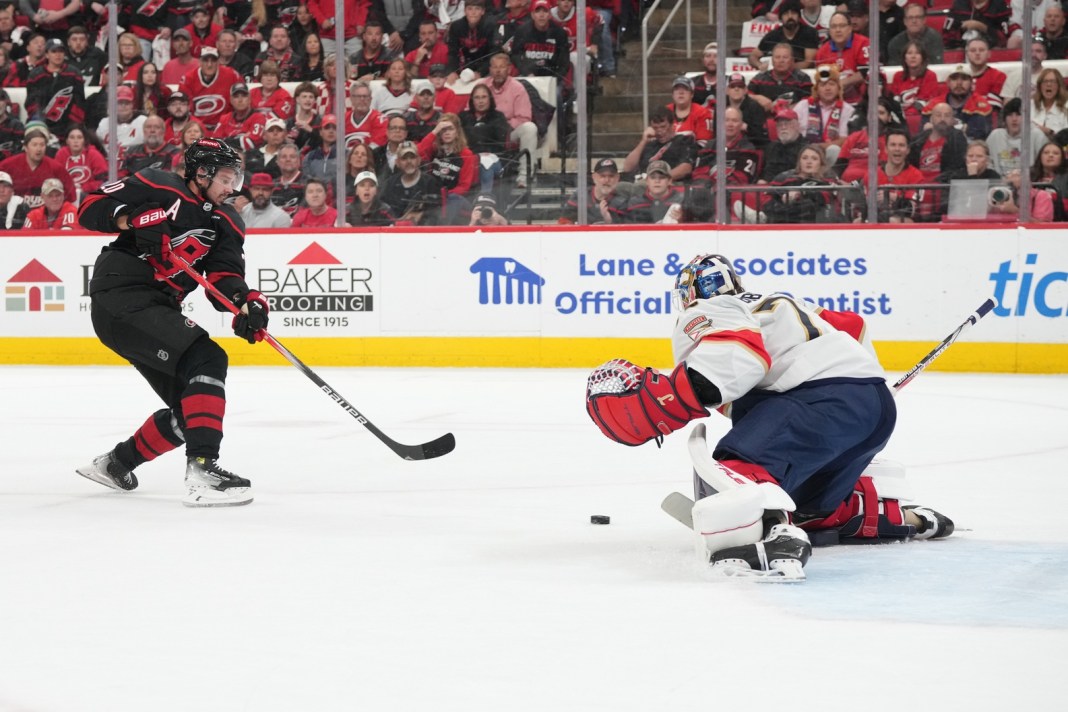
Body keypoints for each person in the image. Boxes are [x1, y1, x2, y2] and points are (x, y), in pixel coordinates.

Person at [584, 253, 953, 580]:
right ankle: (879, 515)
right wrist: (863, 383)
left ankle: (771, 533)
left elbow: (740, 356)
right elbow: (854, 326)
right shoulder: (779, 301)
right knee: (807, 500)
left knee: (741, 468)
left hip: (817, 401)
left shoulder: (706, 310)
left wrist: (671, 399)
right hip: (873, 408)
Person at [75, 138, 266, 508]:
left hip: (156, 306)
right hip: (121, 295)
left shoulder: (228, 221)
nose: (233, 188)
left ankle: (115, 465)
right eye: (226, 178)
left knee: (192, 411)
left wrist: (246, 303)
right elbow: (89, 208)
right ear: (202, 172)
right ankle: (204, 469)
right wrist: (129, 218)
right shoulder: (158, 184)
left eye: (235, 179)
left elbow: (224, 278)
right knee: (208, 358)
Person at [480, 53, 539, 188]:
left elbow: (524, 118)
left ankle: (524, 176)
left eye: (502, 67)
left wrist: (501, 126)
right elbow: (469, 109)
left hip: (507, 132)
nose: (498, 71)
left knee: (530, 128)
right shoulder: (482, 86)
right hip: (484, 131)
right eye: (495, 67)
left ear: (509, 69)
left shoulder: (517, 88)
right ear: (490, 70)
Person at [416, 112, 477, 223]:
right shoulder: (434, 150)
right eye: (443, 130)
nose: (447, 133)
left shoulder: (466, 154)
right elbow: (418, 152)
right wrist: (434, 131)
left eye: (450, 129)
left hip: (455, 199)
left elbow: (464, 186)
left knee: (452, 200)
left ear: (457, 132)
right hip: (433, 198)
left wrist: (444, 196)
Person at [25, 37, 85, 140]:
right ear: (47, 54)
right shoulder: (36, 75)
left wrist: (72, 127)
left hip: (68, 125)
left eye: (61, 51)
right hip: (42, 123)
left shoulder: (74, 73)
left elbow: (79, 102)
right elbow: (32, 102)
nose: (58, 55)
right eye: (54, 51)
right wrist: (41, 125)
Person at [0, 128, 76, 205]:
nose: (39, 149)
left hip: (46, 213)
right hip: (13, 212)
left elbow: (71, 195)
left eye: (42, 145)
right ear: (26, 147)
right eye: (34, 145)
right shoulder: (8, 165)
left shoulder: (56, 168)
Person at [792, 64, 855, 157]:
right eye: (823, 85)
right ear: (816, 89)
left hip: (830, 155)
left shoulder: (848, 110)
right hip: (802, 152)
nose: (828, 88)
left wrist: (820, 147)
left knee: (834, 149)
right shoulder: (802, 106)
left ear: (838, 88)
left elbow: (844, 139)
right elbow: (793, 131)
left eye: (832, 84)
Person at [622, 105, 697, 181]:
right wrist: (643, 141)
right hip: (643, 183)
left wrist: (658, 180)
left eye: (663, 127)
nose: (659, 132)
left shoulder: (684, 141)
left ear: (672, 125)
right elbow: (627, 168)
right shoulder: (649, 144)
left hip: (670, 184)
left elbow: (686, 168)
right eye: (655, 128)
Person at [460, 83, 510, 193]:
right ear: (472, 100)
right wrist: (485, 130)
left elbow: (499, 140)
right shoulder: (463, 116)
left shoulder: (498, 116)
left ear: (490, 99)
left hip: (493, 157)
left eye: (484, 97)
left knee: (486, 162)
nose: (480, 101)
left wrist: (472, 131)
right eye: (477, 97)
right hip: (469, 157)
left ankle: (485, 199)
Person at [180, 46, 244, 132]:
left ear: (219, 61)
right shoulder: (188, 79)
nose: (209, 65)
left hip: (225, 127)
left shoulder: (231, 75)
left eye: (213, 60)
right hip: (197, 128)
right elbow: (185, 109)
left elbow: (242, 100)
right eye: (206, 60)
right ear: (199, 62)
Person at [380, 140, 444, 224]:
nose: (409, 161)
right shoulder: (390, 184)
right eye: (404, 158)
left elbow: (437, 214)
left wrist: (421, 215)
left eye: (412, 157)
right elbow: (383, 214)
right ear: (397, 162)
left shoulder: (430, 183)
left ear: (419, 160)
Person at [814, 11, 870, 105]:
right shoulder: (822, 52)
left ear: (850, 28)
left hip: (862, 102)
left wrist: (841, 83)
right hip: (833, 103)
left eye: (842, 26)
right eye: (834, 26)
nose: (838, 30)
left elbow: (866, 73)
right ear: (830, 31)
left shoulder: (863, 43)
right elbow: (821, 80)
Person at [749, 0, 819, 70]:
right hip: (777, 75)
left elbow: (809, 62)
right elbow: (753, 56)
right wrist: (760, 65)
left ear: (799, 16)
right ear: (780, 18)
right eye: (785, 14)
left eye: (794, 13)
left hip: (803, 75)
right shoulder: (773, 35)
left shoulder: (809, 33)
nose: (790, 16)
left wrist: (785, 68)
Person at [987, 97, 1049, 176]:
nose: (1014, 119)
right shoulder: (995, 136)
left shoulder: (1037, 135)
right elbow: (987, 163)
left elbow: (1044, 166)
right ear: (1004, 119)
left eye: (1018, 115)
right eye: (1010, 115)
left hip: (1031, 184)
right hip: (999, 184)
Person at [748, 42, 814, 114]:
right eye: (777, 57)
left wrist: (791, 108)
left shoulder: (802, 78)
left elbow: (810, 100)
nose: (781, 61)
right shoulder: (760, 78)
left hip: (793, 119)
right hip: (765, 118)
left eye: (785, 57)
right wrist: (758, 98)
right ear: (772, 60)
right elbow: (745, 95)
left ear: (792, 60)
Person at [561, 157, 629, 224]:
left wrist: (609, 221)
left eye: (611, 176)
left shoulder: (623, 200)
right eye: (602, 176)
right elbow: (564, 222)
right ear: (594, 177)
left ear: (617, 178)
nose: (607, 180)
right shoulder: (581, 196)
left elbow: (629, 230)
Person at [887, 41, 940, 123]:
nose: (913, 56)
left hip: (922, 117)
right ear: (904, 58)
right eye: (909, 53)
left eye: (917, 53)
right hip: (900, 117)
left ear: (923, 57)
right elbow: (894, 101)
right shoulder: (898, 76)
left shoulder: (930, 75)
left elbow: (926, 103)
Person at [620, 159, 686, 223]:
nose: (657, 181)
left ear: (669, 181)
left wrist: (682, 220)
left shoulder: (682, 201)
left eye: (662, 177)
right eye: (653, 177)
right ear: (647, 181)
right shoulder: (635, 203)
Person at [886, 1, 944, 66]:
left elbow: (936, 66)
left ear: (924, 20)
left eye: (918, 17)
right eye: (910, 17)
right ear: (905, 21)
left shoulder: (934, 38)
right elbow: (894, 69)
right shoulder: (895, 43)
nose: (914, 21)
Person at [668, 75, 712, 145]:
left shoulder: (702, 113)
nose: (681, 92)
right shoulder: (665, 111)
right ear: (672, 94)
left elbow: (703, 144)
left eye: (685, 89)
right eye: (677, 89)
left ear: (692, 94)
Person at [1032, 67, 1068, 140]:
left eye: (1053, 81)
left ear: (1059, 86)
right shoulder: (1029, 105)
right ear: (1040, 86)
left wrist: (1050, 132)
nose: (1048, 84)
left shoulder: (1066, 105)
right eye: (1045, 81)